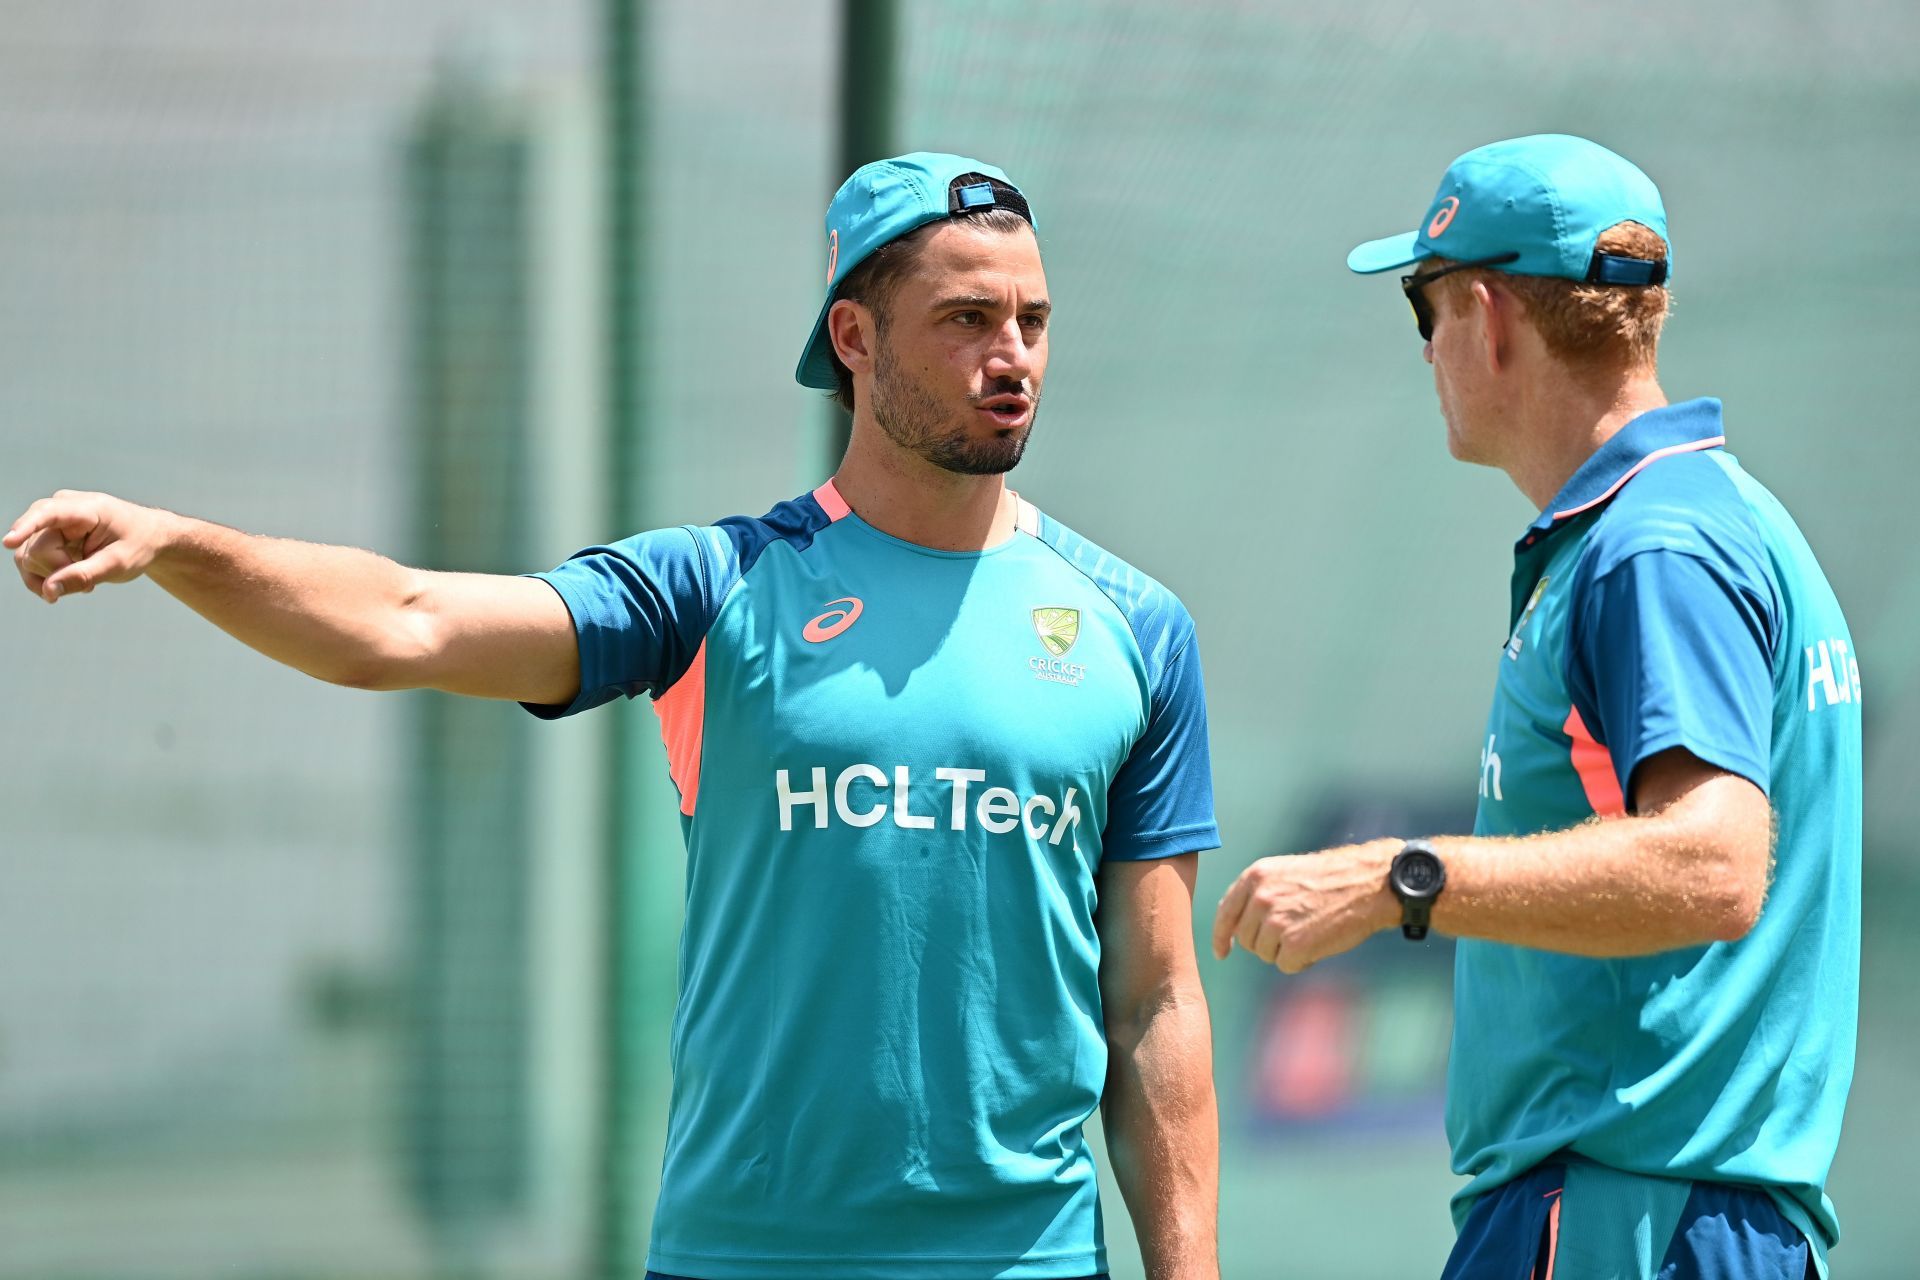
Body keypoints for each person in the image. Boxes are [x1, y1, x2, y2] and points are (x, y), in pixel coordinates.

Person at [8, 153, 1221, 1280]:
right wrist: (177, 545)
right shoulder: (714, 587)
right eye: (966, 317)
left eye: (1033, 320)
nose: (1011, 351)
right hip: (745, 1253)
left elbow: (1154, 1001)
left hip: (1032, 1258)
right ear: (854, 337)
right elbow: (403, 621)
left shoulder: (1136, 627)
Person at [1211, 135, 1859, 1279]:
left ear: (1490, 313)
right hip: (1690, 1217)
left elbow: (1713, 865)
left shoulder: (1651, 544)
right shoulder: (1723, 519)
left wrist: (1396, 879)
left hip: (1623, 1221)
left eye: (1425, 310)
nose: (1426, 351)